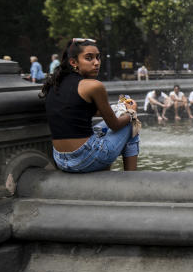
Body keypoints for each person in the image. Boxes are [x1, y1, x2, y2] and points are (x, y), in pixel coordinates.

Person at [40, 38, 139, 172]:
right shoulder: (93, 86)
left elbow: (85, 112)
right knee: (132, 123)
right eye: (89, 58)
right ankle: (131, 179)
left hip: (60, 159)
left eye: (98, 57)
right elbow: (114, 125)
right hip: (85, 158)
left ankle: (106, 172)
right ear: (73, 62)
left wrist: (118, 108)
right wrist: (131, 112)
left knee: (103, 129)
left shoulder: (55, 84)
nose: (96, 63)